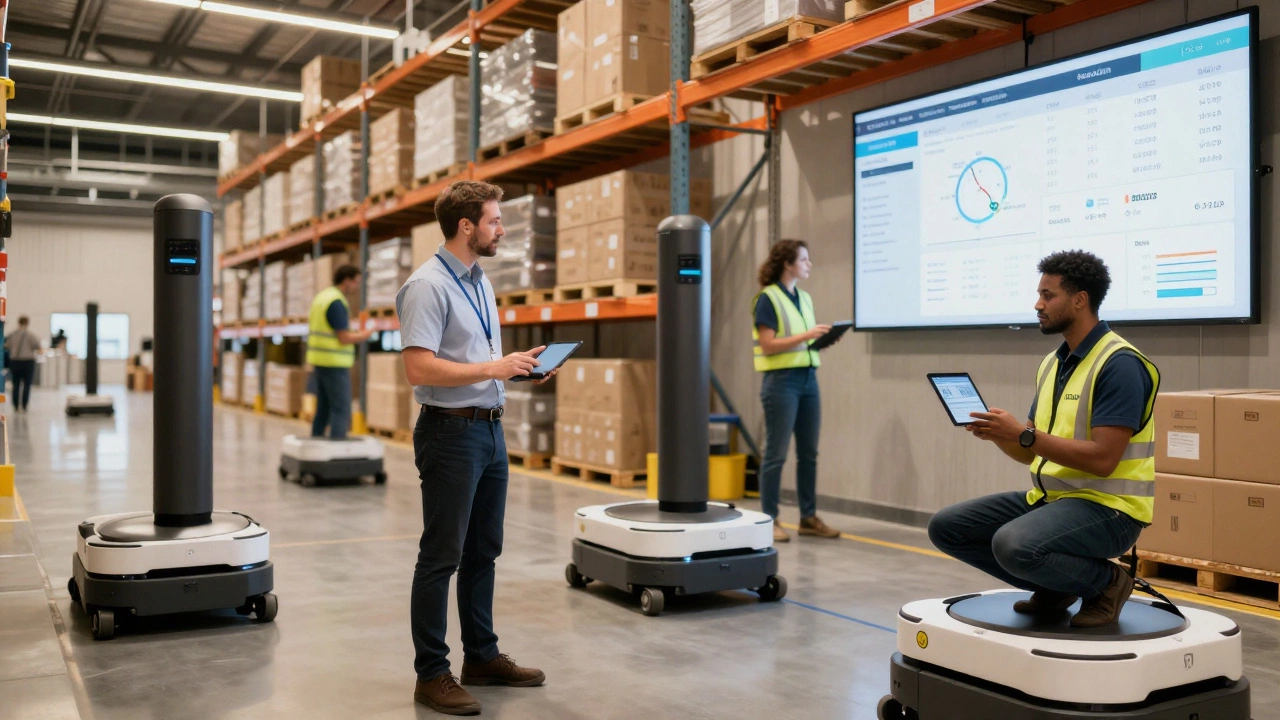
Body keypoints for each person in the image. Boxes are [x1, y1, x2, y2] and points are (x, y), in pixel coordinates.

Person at [928, 250, 1160, 628]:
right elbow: (1031, 452)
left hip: (1111, 510)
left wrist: (1023, 434)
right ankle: (1056, 586)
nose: (1038, 305)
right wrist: (1002, 436)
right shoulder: (1054, 362)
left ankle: (1108, 583)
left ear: (1080, 299)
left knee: (1013, 543)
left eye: (1048, 295)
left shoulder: (1120, 364)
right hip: (1055, 499)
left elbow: (1103, 459)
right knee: (948, 527)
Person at [396, 180, 553, 716]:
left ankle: (481, 657)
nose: (501, 229)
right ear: (467, 227)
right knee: (440, 556)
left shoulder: (480, 282)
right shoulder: (427, 286)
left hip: (488, 429)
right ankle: (431, 674)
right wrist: (492, 367)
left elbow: (475, 352)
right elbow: (419, 367)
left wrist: (514, 367)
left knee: (483, 550)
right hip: (449, 433)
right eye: (494, 221)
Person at [752, 239, 841, 543]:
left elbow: (801, 343)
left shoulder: (803, 297)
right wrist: (807, 335)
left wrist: (820, 340)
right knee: (775, 454)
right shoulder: (768, 298)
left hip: (807, 380)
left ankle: (807, 517)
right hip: (781, 382)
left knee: (809, 453)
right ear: (787, 264)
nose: (809, 265)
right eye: (803, 260)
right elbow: (767, 345)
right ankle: (769, 520)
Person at [306, 265, 373, 440]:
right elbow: (343, 337)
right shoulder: (336, 302)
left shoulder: (322, 297)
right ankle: (337, 450)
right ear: (347, 280)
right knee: (341, 408)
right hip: (334, 363)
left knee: (324, 407)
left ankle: (316, 445)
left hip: (320, 361)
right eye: (356, 282)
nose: (357, 287)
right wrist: (363, 335)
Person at [5, 317, 40, 412]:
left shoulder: (13, 334)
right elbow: (37, 346)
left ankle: (16, 405)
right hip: (28, 362)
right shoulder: (30, 335)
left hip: (15, 362)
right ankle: (24, 405)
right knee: (27, 384)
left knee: (15, 384)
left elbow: (7, 346)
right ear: (27, 323)